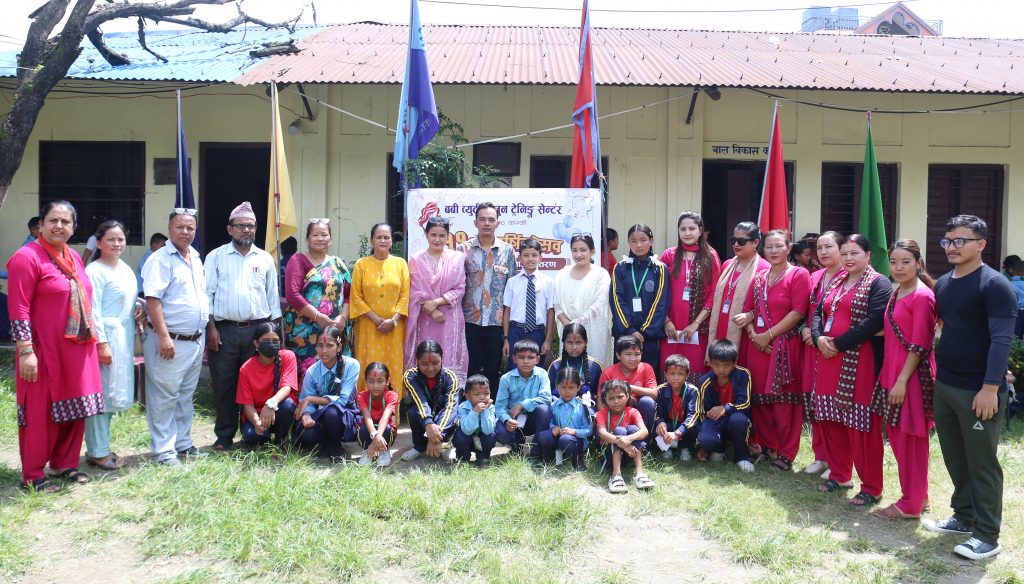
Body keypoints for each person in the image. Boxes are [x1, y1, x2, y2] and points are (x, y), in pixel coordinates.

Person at [924, 215, 1017, 561]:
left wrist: (991, 387)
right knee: (955, 456)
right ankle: (964, 517)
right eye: (947, 240)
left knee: (982, 463)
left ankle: (987, 535)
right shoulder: (945, 283)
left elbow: (1001, 340)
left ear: (981, 244)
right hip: (947, 384)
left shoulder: (995, 285)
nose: (951, 247)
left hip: (979, 391)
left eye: (959, 240)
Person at [8, 201, 103, 491]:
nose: (59, 226)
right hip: (43, 351)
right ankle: (34, 474)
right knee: (41, 411)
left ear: (74, 227)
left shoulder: (73, 256)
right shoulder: (27, 258)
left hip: (78, 348)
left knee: (75, 408)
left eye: (65, 221)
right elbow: (19, 308)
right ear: (41, 224)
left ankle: (65, 463)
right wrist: (26, 351)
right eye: (53, 220)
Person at [810, 234, 892, 506]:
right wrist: (819, 337)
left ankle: (871, 486)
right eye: (844, 253)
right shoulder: (836, 279)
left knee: (861, 424)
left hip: (859, 362)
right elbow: (819, 312)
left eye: (854, 253)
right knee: (831, 418)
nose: (848, 258)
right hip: (828, 358)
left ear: (868, 255)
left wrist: (837, 343)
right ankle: (840, 474)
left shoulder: (879, 283)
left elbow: (873, 321)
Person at [205, 202, 282, 451]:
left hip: (257, 332)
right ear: (230, 229)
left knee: (255, 385)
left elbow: (272, 298)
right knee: (224, 384)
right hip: (224, 330)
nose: (246, 230)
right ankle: (224, 436)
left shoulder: (265, 259)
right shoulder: (215, 257)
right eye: (241, 226)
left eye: (251, 226)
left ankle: (254, 434)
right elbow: (208, 295)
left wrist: (273, 334)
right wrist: (211, 328)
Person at [734, 229, 811, 471]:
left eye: (779, 246)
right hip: (757, 347)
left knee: (784, 402)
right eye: (770, 247)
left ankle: (787, 454)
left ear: (789, 248)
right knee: (760, 400)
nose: (774, 251)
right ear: (762, 249)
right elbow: (747, 311)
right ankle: (770, 447)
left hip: (784, 347)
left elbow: (798, 312)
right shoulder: (759, 277)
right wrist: (753, 337)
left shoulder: (799, 275)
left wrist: (767, 335)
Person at [871, 240, 937, 520]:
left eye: (905, 262)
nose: (898, 268)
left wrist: (901, 381)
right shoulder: (897, 291)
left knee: (911, 440)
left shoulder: (922, 297)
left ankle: (910, 504)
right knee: (900, 439)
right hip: (893, 372)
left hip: (909, 377)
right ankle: (919, 497)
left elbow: (920, 345)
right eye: (894, 262)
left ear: (918, 263)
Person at [141, 207, 210, 466]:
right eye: (180, 227)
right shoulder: (160, 259)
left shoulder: (195, 256)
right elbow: (153, 299)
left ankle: (183, 444)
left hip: (194, 340)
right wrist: (163, 336)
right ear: (170, 229)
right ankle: (163, 451)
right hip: (170, 340)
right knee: (164, 397)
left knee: (184, 395)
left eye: (190, 228)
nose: (185, 232)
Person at [84, 220, 143, 471]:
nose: (117, 244)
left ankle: (101, 446)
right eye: (110, 239)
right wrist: (102, 344)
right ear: (99, 243)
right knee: (101, 395)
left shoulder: (125, 269)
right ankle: (97, 451)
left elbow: (126, 300)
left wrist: (138, 308)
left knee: (112, 392)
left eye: (120, 239)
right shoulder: (94, 271)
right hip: (105, 337)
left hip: (123, 336)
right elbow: (93, 309)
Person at [798, 231, 844, 477]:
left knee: (834, 404)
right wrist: (805, 328)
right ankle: (821, 455)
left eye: (829, 247)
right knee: (815, 402)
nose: (824, 252)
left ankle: (840, 460)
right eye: (820, 248)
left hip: (834, 348)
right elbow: (806, 310)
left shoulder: (849, 276)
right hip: (811, 347)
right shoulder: (814, 276)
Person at [459, 202, 519, 396]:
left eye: (491, 220)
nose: (486, 223)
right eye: (482, 219)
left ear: (498, 223)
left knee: (493, 371)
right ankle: (468, 413)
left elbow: (512, 289)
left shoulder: (507, 251)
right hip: (470, 320)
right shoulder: (463, 249)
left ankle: (491, 413)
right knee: (471, 369)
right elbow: (458, 284)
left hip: (496, 322)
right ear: (475, 222)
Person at [659, 211, 722, 383]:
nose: (687, 233)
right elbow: (659, 293)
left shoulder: (710, 255)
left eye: (692, 228)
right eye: (683, 229)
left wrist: (695, 324)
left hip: (697, 329)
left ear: (700, 230)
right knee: (669, 369)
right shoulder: (669, 255)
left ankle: (695, 410)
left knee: (695, 371)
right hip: (670, 327)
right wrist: (666, 321)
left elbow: (714, 294)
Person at [283, 219, 351, 378]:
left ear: (331, 239)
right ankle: (306, 402)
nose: (320, 238)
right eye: (315, 235)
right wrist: (317, 316)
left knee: (336, 373)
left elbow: (349, 294)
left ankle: (334, 403)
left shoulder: (338, 264)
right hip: (305, 332)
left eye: (324, 234)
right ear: (307, 239)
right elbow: (292, 294)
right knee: (307, 375)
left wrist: (343, 317)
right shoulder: (298, 260)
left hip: (335, 329)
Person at [406, 216, 468, 381]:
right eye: (433, 235)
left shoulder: (457, 258)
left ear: (448, 236)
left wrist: (437, 303)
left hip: (450, 317)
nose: (437, 239)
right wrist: (432, 311)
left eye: (442, 235)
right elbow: (414, 289)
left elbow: (460, 288)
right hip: (425, 317)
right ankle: (422, 397)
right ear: (426, 234)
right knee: (426, 355)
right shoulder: (416, 259)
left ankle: (449, 397)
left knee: (448, 357)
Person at [351, 222, 410, 395]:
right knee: (368, 364)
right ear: (371, 241)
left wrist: (393, 320)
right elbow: (356, 296)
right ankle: (365, 411)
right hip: (369, 327)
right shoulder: (362, 264)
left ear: (392, 241)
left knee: (393, 366)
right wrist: (376, 320)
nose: (383, 240)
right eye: (379, 237)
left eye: (386, 237)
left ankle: (392, 415)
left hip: (394, 328)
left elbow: (405, 296)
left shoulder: (401, 264)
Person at [295, 325, 361, 461]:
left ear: (339, 347)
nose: (324, 351)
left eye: (329, 346)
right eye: (320, 345)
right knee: (307, 435)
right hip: (319, 415)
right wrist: (306, 415)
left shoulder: (352, 365)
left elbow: (342, 400)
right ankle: (326, 441)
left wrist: (310, 398)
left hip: (344, 414)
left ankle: (335, 445)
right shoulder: (312, 371)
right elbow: (306, 403)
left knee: (332, 412)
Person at [610, 223, 670, 371]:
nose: (638, 245)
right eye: (633, 241)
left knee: (647, 376)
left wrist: (643, 332)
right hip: (625, 334)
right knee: (622, 379)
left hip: (648, 338)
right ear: (629, 243)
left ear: (651, 241)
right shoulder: (620, 267)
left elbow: (660, 303)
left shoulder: (659, 268)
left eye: (643, 240)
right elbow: (616, 300)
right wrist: (630, 329)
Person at [708, 222, 770, 359]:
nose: (736, 244)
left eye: (741, 241)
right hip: (720, 324)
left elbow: (768, 304)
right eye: (733, 240)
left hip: (743, 331)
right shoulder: (727, 264)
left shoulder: (764, 268)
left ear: (755, 243)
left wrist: (751, 315)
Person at [695, 340, 755, 473]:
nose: (721, 370)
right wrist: (702, 445)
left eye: (726, 365)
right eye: (716, 365)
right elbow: (701, 412)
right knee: (706, 439)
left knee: (738, 420)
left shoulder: (743, 374)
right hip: (715, 420)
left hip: (736, 416)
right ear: (710, 363)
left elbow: (745, 403)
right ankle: (719, 449)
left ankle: (742, 457)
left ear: (735, 363)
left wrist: (725, 408)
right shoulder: (705, 381)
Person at [236, 322, 298, 447]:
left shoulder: (288, 356)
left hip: (279, 411)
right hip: (257, 415)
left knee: (287, 405)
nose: (271, 344)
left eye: (275, 340)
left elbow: (288, 386)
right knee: (252, 437)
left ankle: (281, 442)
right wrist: (256, 422)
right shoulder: (246, 369)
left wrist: (271, 404)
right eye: (266, 340)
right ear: (256, 343)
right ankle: (264, 436)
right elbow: (247, 405)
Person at [555, 233, 612, 366]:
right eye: (575, 250)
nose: (578, 254)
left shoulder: (601, 274)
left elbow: (600, 303)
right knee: (569, 373)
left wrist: (577, 324)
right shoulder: (562, 274)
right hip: (568, 329)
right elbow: (556, 302)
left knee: (594, 367)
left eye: (583, 250)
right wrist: (568, 325)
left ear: (592, 251)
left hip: (593, 329)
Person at [402, 339, 461, 461]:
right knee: (413, 411)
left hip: (443, 422)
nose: (430, 368)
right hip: (424, 417)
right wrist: (429, 424)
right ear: (417, 361)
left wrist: (435, 436)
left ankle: (444, 443)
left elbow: (451, 406)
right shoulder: (410, 376)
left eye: (435, 363)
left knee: (454, 412)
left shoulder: (451, 377)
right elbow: (420, 401)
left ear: (442, 358)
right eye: (424, 364)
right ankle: (419, 446)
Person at [503, 238, 555, 368]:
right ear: (519, 258)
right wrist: (506, 339)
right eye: (526, 255)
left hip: (537, 332)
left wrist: (548, 340)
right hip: (516, 331)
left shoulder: (548, 282)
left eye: (534, 255)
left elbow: (550, 312)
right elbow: (507, 311)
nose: (530, 259)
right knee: (515, 369)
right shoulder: (512, 282)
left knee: (536, 370)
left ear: (540, 258)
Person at [495, 339, 553, 456]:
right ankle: (517, 446)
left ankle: (537, 449)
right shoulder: (506, 379)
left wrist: (522, 404)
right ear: (514, 359)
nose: (526, 361)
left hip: (533, 419)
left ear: (537, 359)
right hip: (514, 419)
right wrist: (507, 420)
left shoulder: (542, 374)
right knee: (500, 432)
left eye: (531, 357)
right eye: (521, 357)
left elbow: (546, 398)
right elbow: (499, 407)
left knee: (544, 409)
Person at [597, 379, 653, 493]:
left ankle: (639, 473)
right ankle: (616, 475)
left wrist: (630, 438)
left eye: (620, 397)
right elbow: (602, 433)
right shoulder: (601, 413)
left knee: (633, 429)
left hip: (630, 453)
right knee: (620, 430)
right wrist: (624, 445)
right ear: (605, 400)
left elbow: (644, 431)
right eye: (611, 398)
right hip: (608, 455)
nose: (616, 401)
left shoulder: (633, 411)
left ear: (627, 396)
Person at [597, 335, 658, 432]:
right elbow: (601, 400)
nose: (633, 359)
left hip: (638, 410)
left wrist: (628, 387)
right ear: (618, 355)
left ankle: (646, 439)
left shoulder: (646, 368)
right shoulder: (608, 372)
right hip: (616, 410)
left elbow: (654, 393)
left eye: (637, 354)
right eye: (628, 354)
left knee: (647, 402)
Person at [537, 367, 593, 470]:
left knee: (566, 439)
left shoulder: (583, 407)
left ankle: (576, 460)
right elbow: (549, 422)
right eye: (563, 387)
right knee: (544, 435)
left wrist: (574, 432)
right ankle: (547, 458)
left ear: (578, 387)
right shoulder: (553, 405)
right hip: (558, 438)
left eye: (571, 387)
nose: (567, 391)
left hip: (575, 441)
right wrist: (553, 427)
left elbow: (589, 430)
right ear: (557, 387)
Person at [652, 354, 700, 461]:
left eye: (680, 374)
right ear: (666, 375)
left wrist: (678, 433)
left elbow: (693, 415)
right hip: (668, 425)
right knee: (657, 426)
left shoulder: (693, 391)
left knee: (695, 426)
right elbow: (656, 411)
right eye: (672, 373)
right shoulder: (660, 390)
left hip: (683, 427)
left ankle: (685, 447)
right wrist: (659, 421)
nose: (676, 377)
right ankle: (666, 448)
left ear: (687, 375)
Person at [547, 323, 603, 407]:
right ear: (564, 343)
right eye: (570, 342)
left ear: (585, 343)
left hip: (586, 407)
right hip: (560, 408)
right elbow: (549, 394)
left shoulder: (594, 366)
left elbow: (600, 395)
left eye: (578, 343)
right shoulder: (555, 366)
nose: (574, 347)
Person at [356, 362, 399, 467]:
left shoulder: (392, 395)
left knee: (388, 429)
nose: (375, 386)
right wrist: (375, 435)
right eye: (371, 381)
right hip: (369, 431)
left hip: (384, 432)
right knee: (362, 428)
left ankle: (384, 451)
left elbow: (385, 416)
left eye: (380, 381)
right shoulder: (362, 396)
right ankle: (367, 451)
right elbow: (367, 417)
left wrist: (378, 435)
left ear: (387, 381)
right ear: (366, 381)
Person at [453, 374, 498, 466]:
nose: (482, 397)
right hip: (467, 438)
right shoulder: (463, 407)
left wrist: (485, 410)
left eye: (486, 393)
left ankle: (483, 457)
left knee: (491, 436)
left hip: (483, 438)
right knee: (459, 436)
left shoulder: (491, 408)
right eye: (477, 394)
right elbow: (467, 430)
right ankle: (462, 458)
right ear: (468, 396)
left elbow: (488, 430)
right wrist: (475, 412)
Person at [1006, 257, 1024, 338]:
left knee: (1017, 336)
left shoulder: (1007, 284)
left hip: (1015, 313)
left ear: (1010, 270)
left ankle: (1017, 350)